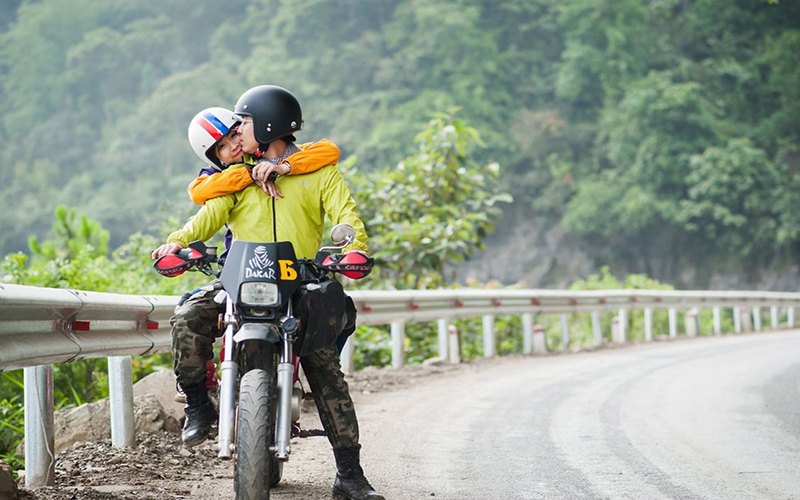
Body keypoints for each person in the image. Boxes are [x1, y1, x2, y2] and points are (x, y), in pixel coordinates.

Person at [152, 85, 384, 500]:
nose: (238, 133)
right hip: (240, 280)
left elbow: (346, 216)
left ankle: (350, 475)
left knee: (325, 367)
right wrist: (177, 242)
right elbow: (209, 215)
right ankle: (198, 405)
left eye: (244, 123)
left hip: (299, 281)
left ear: (268, 124)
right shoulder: (241, 175)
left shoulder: (318, 170)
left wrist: (354, 249)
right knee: (187, 316)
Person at [173, 108, 342, 403]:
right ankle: (197, 399)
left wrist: (282, 167)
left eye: (234, 135)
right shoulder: (221, 175)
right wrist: (247, 174)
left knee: (332, 314)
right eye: (222, 148)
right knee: (187, 308)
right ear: (215, 158)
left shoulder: (275, 159)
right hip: (240, 269)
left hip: (293, 270)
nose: (233, 146)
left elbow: (328, 150)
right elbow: (199, 193)